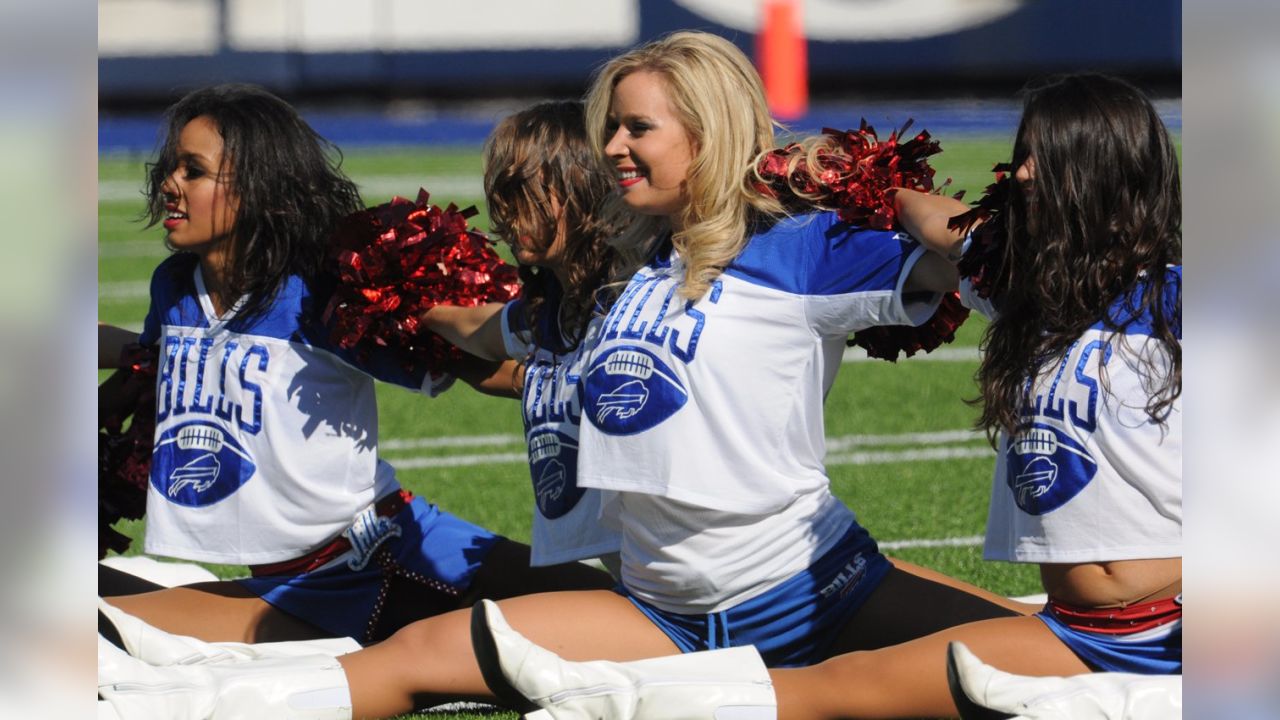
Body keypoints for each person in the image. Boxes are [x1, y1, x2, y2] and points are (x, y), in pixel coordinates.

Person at [101, 32, 1027, 720]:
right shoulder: (622, 277)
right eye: (610, 127)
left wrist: (853, 178)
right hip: (657, 609)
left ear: (708, 134)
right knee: (419, 658)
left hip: (816, 589)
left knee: (1019, 675)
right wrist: (392, 289)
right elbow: (488, 332)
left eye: (639, 128)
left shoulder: (799, 251)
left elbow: (982, 252)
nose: (615, 148)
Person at [469, 72, 1183, 720]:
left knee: (849, 692)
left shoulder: (1182, 299)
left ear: (1110, 173)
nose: (1021, 171)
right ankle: (613, 695)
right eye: (1023, 152)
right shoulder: (1022, 290)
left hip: (1182, 624)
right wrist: (868, 187)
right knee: (846, 687)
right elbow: (953, 230)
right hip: (1078, 629)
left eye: (1048, 158)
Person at [96, 84, 611, 651]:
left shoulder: (319, 295)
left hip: (384, 551)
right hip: (287, 583)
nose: (169, 182)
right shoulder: (173, 287)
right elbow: (156, 361)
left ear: (258, 188)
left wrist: (589, 383)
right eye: (171, 166)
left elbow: (481, 369)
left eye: (193, 171)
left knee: (613, 617)